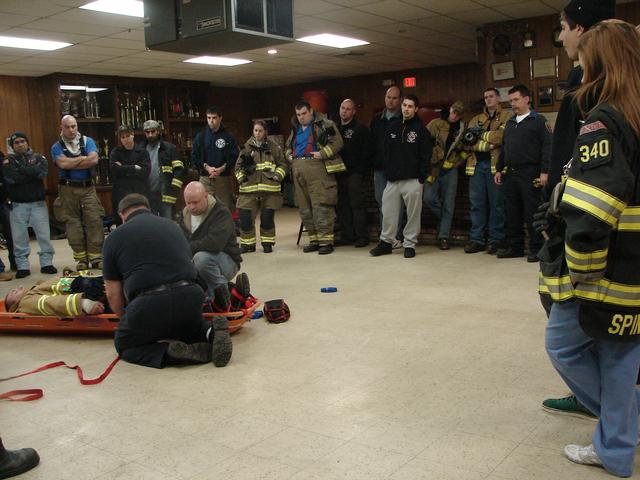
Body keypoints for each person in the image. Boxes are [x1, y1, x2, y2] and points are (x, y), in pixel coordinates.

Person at [538, 20, 640, 478]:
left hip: (606, 266)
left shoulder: (606, 118)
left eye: (582, 56)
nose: (576, 60)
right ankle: (616, 449)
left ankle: (623, 430)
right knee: (621, 352)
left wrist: (581, 271)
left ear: (598, 62)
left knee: (563, 343)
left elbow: (593, 211)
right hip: (635, 263)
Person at [541, 0, 616, 420]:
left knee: (574, 327)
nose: (562, 36)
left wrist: (564, 216)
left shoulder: (599, 94)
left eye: (564, 28)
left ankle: (612, 408)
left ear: (582, 30)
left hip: (585, 227)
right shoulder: (580, 83)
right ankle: (601, 399)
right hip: (566, 217)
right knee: (562, 309)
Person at [103, 194, 232, 369]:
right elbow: (189, 262)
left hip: (149, 302)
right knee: (191, 328)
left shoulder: (114, 238)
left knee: (125, 344)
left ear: (122, 215)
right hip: (190, 295)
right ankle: (212, 333)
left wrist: (127, 318)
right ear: (147, 208)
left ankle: (168, 352)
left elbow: (112, 292)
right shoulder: (173, 226)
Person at [370, 94, 432, 259]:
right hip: (392, 179)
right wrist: (388, 171)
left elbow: (426, 155)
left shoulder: (421, 130)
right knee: (388, 211)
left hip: (412, 179)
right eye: (404, 105)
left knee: (413, 214)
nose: (406, 109)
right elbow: (386, 152)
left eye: (410, 106)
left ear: (416, 109)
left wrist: (421, 177)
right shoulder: (393, 126)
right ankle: (386, 242)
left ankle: (409, 244)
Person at [494, 85, 551, 262]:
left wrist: (545, 172)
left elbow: (548, 149)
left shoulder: (539, 121)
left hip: (531, 173)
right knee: (512, 212)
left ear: (527, 99)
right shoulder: (510, 123)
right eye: (510, 101)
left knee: (531, 213)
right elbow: (505, 149)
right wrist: (499, 168)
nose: (513, 104)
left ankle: (536, 248)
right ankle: (515, 247)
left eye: (516, 99)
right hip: (511, 173)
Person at [285, 100, 346, 255]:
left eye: (304, 113)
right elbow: (288, 146)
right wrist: (289, 155)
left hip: (317, 168)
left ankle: (326, 241)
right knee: (305, 208)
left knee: (321, 204)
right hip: (298, 168)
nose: (301, 117)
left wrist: (322, 153)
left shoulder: (325, 124)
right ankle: (314, 240)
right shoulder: (296, 128)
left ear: (311, 111)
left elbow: (337, 142)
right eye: (298, 115)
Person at [51, 115, 105, 270]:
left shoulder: (88, 141)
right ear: (61, 128)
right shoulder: (56, 146)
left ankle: (96, 258)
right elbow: (62, 163)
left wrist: (71, 163)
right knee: (73, 223)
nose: (71, 130)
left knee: (94, 220)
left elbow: (93, 160)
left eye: (73, 126)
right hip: (67, 190)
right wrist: (82, 159)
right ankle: (81, 259)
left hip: (88, 188)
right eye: (67, 127)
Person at [463, 87, 512, 255]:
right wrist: (490, 142)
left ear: (498, 98)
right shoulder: (476, 119)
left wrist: (482, 136)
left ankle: (495, 240)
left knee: (497, 204)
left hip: (495, 167)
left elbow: (503, 137)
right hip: (476, 167)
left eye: (491, 96)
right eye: (485, 97)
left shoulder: (508, 116)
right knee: (477, 204)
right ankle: (477, 240)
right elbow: (467, 142)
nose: (488, 99)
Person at [3, 132, 57, 279]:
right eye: (16, 143)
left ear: (27, 143)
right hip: (18, 205)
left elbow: (42, 173)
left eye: (22, 141)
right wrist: (30, 173)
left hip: (38, 203)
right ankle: (22, 266)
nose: (20, 144)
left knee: (44, 236)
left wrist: (22, 171)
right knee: (19, 238)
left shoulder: (39, 157)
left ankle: (46, 263)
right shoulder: (8, 161)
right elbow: (12, 178)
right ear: (12, 146)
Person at [181, 182, 242, 300]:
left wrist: (187, 248)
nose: (192, 207)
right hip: (195, 260)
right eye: (188, 203)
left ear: (205, 196)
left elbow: (215, 243)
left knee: (201, 259)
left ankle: (222, 296)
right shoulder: (185, 215)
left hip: (227, 261)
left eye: (195, 202)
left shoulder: (221, 213)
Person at [234, 120, 287, 253]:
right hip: (248, 190)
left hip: (269, 190)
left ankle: (267, 243)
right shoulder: (245, 148)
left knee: (267, 218)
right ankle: (247, 245)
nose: (257, 133)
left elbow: (283, 164)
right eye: (255, 130)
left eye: (260, 131)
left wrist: (277, 177)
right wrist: (242, 180)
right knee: (245, 218)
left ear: (265, 132)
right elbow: (237, 167)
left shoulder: (274, 147)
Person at [424, 101, 466, 250]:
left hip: (450, 171)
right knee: (429, 198)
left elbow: (465, 149)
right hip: (433, 168)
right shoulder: (435, 123)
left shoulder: (462, 129)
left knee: (449, 203)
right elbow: (424, 144)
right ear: (450, 110)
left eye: (458, 114)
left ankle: (443, 236)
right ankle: (444, 221)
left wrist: (456, 163)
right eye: (453, 111)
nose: (454, 116)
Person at [370, 86, 403, 246]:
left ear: (400, 100)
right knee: (382, 202)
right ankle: (386, 237)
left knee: (396, 203)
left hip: (397, 169)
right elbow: (372, 143)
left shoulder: (404, 118)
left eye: (394, 98)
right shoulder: (377, 119)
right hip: (380, 168)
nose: (391, 101)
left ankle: (396, 236)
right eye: (388, 97)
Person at [335, 98, 371, 248]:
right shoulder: (335, 128)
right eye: (343, 108)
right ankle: (347, 236)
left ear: (354, 111)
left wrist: (361, 172)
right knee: (342, 206)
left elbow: (367, 152)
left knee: (357, 206)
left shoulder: (360, 128)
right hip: (338, 173)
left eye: (348, 109)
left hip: (354, 174)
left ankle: (362, 237)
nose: (344, 111)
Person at [191, 107, 239, 212]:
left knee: (224, 209)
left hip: (223, 178)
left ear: (220, 118)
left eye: (214, 118)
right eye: (208, 118)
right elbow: (194, 157)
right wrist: (206, 167)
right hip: (205, 177)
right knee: (204, 208)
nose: (211, 121)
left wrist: (222, 168)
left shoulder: (228, 136)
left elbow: (234, 156)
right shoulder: (201, 136)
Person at [4, 274, 106, 317]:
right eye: (14, 292)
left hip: (86, 285)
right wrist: (84, 304)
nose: (16, 288)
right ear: (14, 304)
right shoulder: (25, 302)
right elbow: (49, 303)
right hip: (86, 291)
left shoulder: (36, 289)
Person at [142, 120, 185, 220]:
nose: (150, 134)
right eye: (147, 132)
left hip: (165, 194)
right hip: (148, 195)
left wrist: (173, 189)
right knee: (151, 224)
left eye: (153, 131)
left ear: (158, 131)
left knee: (167, 224)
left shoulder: (169, 148)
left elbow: (179, 170)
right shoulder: (141, 149)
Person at [109, 125, 150, 226]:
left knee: (141, 224)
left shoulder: (142, 152)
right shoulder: (116, 152)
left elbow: (145, 172)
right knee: (122, 225)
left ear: (133, 135)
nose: (125, 139)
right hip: (120, 194)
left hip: (139, 193)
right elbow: (114, 170)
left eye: (128, 136)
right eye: (123, 137)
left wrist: (122, 168)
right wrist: (134, 168)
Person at [0, 151, 16, 276]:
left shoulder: (3, 157)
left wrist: (9, 195)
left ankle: (15, 262)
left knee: (11, 234)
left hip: (4, 200)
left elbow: (8, 178)